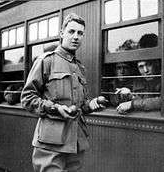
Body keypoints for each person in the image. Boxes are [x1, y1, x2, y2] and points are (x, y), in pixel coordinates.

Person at [21, 13, 104, 172]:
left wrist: (92, 105)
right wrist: (55, 108)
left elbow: (80, 106)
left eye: (80, 33)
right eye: (71, 31)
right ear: (61, 33)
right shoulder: (46, 61)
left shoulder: (79, 68)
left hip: (76, 143)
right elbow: (27, 98)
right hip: (51, 144)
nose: (76, 37)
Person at [116, 33, 161, 114]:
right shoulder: (140, 81)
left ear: (156, 63)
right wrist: (131, 96)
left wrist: (132, 103)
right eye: (141, 67)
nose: (146, 70)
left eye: (149, 64)